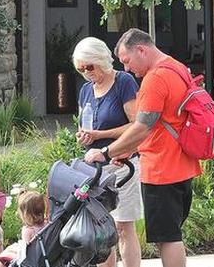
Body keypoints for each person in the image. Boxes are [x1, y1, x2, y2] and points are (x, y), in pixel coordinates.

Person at [83, 29, 202, 267]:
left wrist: (107, 152)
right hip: (182, 164)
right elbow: (163, 122)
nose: (126, 69)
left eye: (127, 61)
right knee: (171, 233)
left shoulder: (155, 78)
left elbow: (142, 126)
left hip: (162, 170)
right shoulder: (177, 67)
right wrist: (127, 150)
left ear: (141, 50)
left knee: (167, 238)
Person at [73, 36, 143, 267]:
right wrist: (84, 136)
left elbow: (136, 124)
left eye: (89, 66)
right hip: (94, 168)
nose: (86, 72)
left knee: (123, 226)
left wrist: (100, 136)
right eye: (81, 68)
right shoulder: (86, 90)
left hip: (122, 164)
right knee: (102, 229)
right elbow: (86, 125)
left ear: (101, 59)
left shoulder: (123, 82)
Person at [0, 190, 48, 264]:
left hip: (31, 258)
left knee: (3, 257)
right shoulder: (47, 224)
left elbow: (26, 252)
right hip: (44, 252)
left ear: (25, 215)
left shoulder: (28, 230)